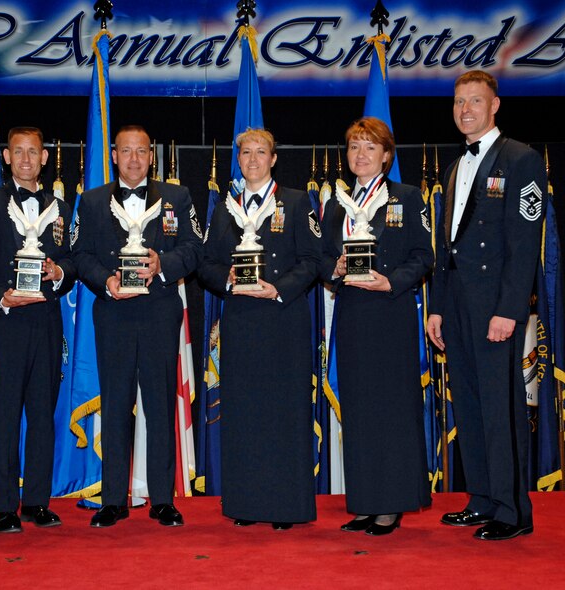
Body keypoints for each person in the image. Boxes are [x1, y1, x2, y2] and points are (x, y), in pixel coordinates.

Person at [426, 70, 545, 541]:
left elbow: (524, 241)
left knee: (502, 409)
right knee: (471, 405)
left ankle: (513, 510)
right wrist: (437, 307)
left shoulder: (521, 159)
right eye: (459, 102)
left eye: (475, 101)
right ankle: (481, 498)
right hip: (456, 305)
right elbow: (446, 244)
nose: (466, 110)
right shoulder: (457, 167)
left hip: (494, 306)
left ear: (495, 105)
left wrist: (510, 309)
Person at [73, 125, 203, 528]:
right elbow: (80, 254)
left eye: (141, 151)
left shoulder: (176, 197)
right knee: (114, 406)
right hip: (113, 313)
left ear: (152, 156)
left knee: (161, 405)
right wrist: (106, 282)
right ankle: (114, 499)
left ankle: (163, 499)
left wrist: (163, 265)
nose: (133, 159)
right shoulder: (91, 201)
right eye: (125, 151)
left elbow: (195, 247)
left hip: (160, 313)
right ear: (114, 155)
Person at [199, 128, 321, 530]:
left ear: (273, 159)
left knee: (284, 415)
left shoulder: (298, 202)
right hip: (242, 324)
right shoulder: (223, 209)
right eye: (245, 153)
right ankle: (246, 504)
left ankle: (285, 507)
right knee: (246, 415)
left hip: (284, 320)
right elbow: (206, 265)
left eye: (260, 152)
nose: (252, 160)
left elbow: (312, 260)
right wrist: (230, 280)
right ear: (239, 159)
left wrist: (278, 288)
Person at [321, 117, 433, 535]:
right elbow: (320, 258)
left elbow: (424, 256)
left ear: (386, 155)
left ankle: (393, 504)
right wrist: (333, 268)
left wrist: (393, 280)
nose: (360, 154)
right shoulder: (336, 204)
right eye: (354, 146)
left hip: (390, 313)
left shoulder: (408, 197)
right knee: (361, 412)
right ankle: (366, 502)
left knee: (392, 411)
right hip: (351, 315)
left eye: (370, 147)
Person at [0, 127, 76, 533]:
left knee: (44, 416)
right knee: (7, 414)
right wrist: (1, 296)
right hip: (10, 323)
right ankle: (5, 506)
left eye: (34, 152)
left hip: (47, 322)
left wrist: (58, 271)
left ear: (44, 158)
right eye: (19, 152)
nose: (27, 159)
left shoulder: (61, 209)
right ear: (7, 156)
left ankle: (36, 501)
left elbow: (73, 262)